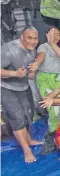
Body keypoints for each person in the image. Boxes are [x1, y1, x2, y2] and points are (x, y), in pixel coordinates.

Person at [0, 26, 42, 163]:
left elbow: (41, 56)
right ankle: (26, 150)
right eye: (29, 38)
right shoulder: (10, 50)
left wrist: (34, 67)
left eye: (35, 38)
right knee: (17, 117)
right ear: (22, 37)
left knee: (28, 114)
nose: (33, 41)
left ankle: (29, 139)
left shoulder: (32, 49)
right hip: (6, 87)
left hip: (23, 87)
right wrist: (14, 73)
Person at [36, 27, 60, 137]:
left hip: (57, 79)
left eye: (58, 34)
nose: (55, 36)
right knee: (51, 107)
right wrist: (36, 63)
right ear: (47, 34)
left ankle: (59, 130)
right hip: (44, 78)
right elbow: (41, 56)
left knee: (59, 106)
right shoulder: (43, 46)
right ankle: (53, 133)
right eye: (53, 33)